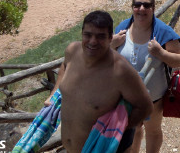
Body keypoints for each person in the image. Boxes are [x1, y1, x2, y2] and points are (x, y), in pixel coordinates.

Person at [45, 10, 152, 153]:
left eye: (100, 36)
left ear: (110, 38)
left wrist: (115, 131)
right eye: (88, 35)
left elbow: (145, 107)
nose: (93, 41)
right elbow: (64, 67)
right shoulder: (72, 51)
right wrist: (54, 93)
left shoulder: (120, 71)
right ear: (82, 34)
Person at [111, 0, 180, 153]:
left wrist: (161, 53)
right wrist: (111, 44)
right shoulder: (122, 28)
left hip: (153, 99)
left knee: (152, 131)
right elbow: (108, 59)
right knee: (134, 129)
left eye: (146, 5)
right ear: (132, 8)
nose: (141, 8)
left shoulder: (163, 32)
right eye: (137, 5)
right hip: (127, 98)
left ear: (153, 8)